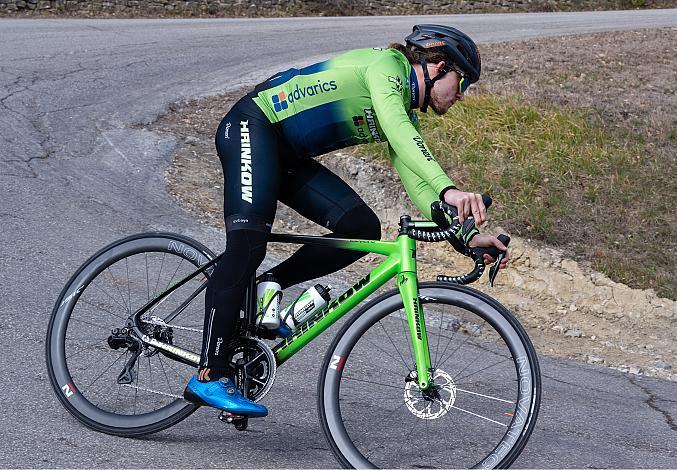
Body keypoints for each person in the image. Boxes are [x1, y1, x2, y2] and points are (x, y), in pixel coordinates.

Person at [183, 24, 509, 418]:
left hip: (285, 155)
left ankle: (270, 285)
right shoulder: (385, 68)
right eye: (462, 83)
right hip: (253, 127)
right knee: (247, 247)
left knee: (360, 229)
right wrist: (450, 189)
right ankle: (209, 374)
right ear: (440, 66)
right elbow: (401, 134)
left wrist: (466, 236)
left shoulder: (402, 106)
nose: (461, 95)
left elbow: (415, 176)